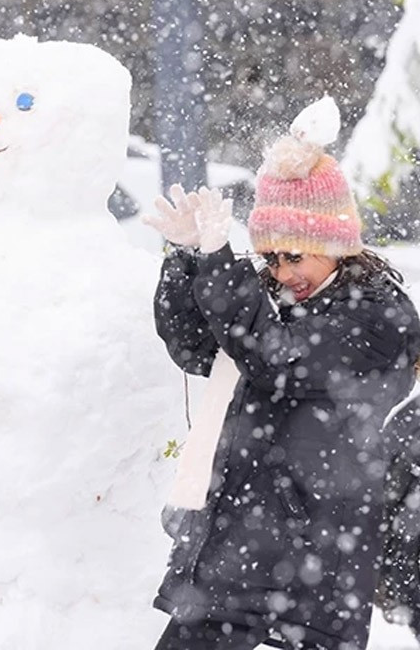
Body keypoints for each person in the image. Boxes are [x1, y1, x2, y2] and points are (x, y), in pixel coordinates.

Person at [144, 106, 420, 649]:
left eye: (294, 255)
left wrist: (220, 264)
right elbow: (196, 347)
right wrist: (187, 261)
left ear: (337, 245)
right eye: (269, 258)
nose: (282, 272)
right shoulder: (269, 305)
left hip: (311, 564)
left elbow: (277, 360)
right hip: (236, 548)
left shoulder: (377, 317)